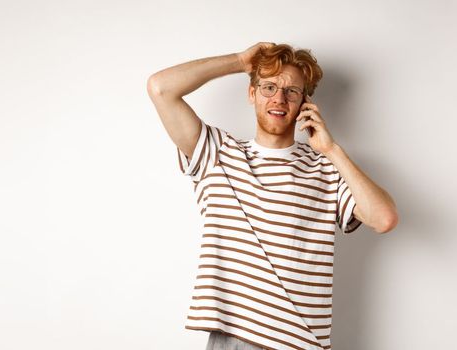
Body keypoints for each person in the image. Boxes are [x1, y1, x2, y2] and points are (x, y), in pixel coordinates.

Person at [146, 42, 398, 350]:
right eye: (268, 87)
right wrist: (240, 61)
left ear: (305, 102)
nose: (279, 98)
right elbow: (160, 88)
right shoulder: (218, 153)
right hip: (235, 340)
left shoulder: (326, 169)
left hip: (301, 344)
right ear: (252, 94)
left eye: (292, 91)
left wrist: (332, 150)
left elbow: (384, 218)